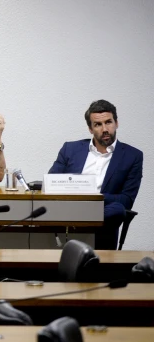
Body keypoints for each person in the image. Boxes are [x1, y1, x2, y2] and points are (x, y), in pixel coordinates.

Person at [48, 100, 143, 249]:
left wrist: (92, 196)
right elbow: (51, 182)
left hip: (102, 214)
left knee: (117, 210)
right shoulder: (70, 149)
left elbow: (127, 200)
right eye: (98, 124)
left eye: (108, 122)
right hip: (70, 208)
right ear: (90, 129)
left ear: (116, 123)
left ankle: (78, 223)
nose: (105, 129)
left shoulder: (133, 156)